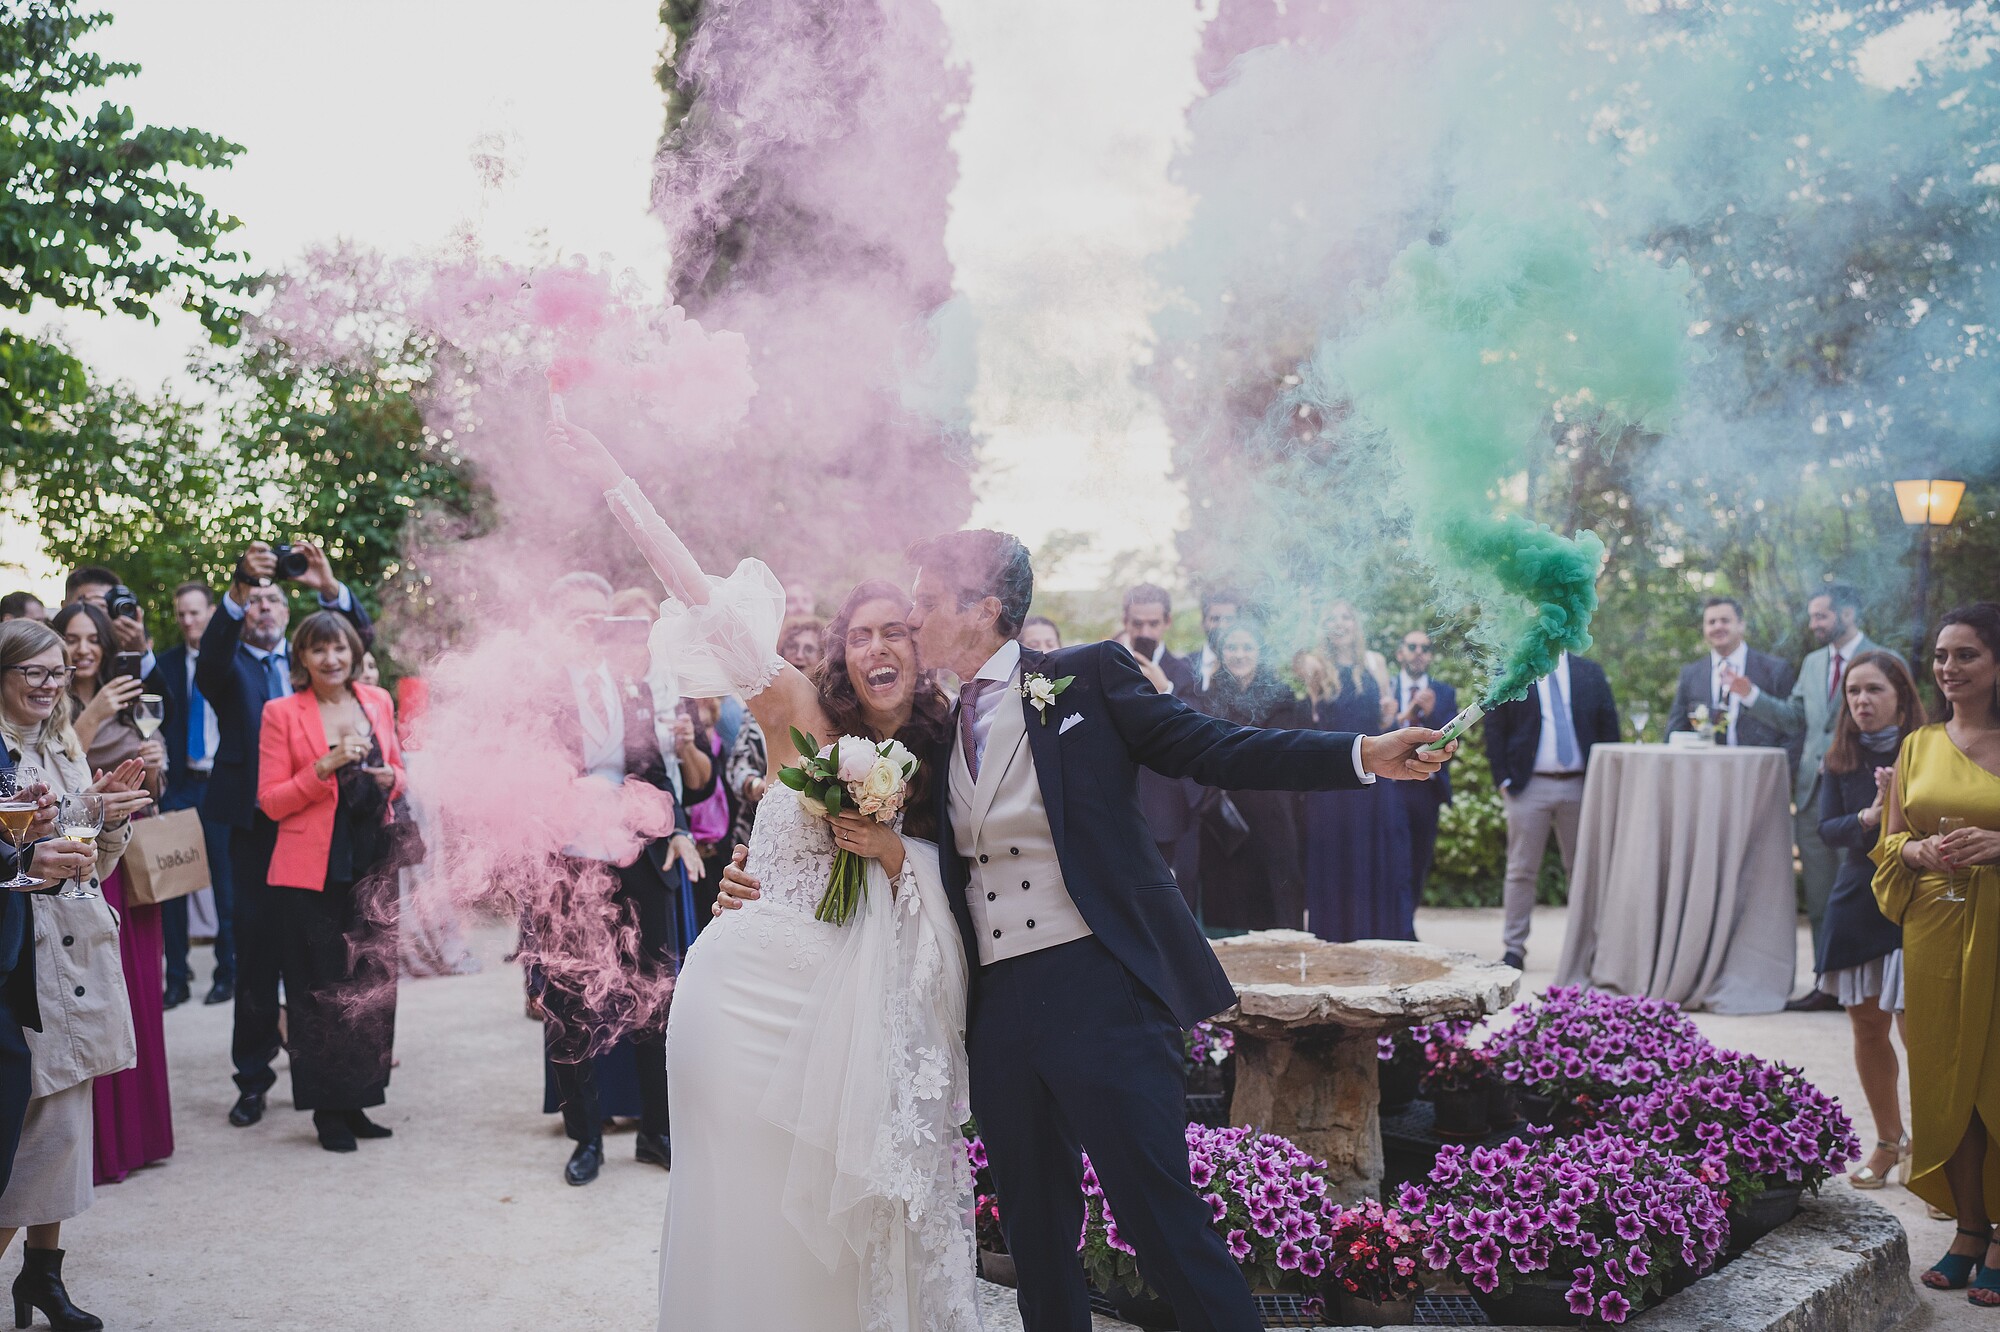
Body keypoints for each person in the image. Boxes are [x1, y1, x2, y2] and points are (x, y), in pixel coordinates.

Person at [719, 532, 1455, 1332]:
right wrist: (764, 888)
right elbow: (875, 840)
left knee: (1159, 1225)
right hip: (999, 1010)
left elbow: (1216, 748)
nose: (914, 618)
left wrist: (1363, 753)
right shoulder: (933, 731)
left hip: (1102, 988)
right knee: (1035, 1241)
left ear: (984, 609)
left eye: (928, 603)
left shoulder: (1087, 677)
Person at [0, 617, 153, 1331]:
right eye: (32, 670)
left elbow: (87, 858)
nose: (49, 683)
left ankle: (42, 1279)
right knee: (36, 1136)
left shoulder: (59, 743)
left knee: (65, 1127)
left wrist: (106, 815)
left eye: (56, 671)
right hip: (22, 963)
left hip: (78, 952)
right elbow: (21, 859)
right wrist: (33, 864)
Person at [198, 540, 373, 1130]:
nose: (266, 607)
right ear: (245, 606)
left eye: (277, 599)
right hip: (255, 829)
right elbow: (211, 658)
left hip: (321, 823)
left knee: (325, 956)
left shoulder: (315, 669)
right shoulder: (228, 667)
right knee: (257, 955)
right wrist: (240, 582)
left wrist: (329, 587)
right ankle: (253, 1079)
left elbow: (354, 642)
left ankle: (331, 1082)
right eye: (256, 600)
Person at [529, 571, 692, 1185]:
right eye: (577, 617)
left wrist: (673, 826)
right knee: (569, 1002)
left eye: (600, 616)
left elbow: (654, 766)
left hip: (639, 855)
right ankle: (586, 1137)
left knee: (655, 994)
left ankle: (656, 1130)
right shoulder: (540, 692)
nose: (591, 627)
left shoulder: (632, 683)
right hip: (567, 861)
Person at [1871, 603, 2000, 1303]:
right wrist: (1915, 849)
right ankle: (1971, 1228)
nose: (1948, 669)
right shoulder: (1918, 744)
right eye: (1942, 656)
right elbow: (1890, 845)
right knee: (1948, 1079)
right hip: (1935, 930)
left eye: (1967, 656)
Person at [256, 611, 404, 1153]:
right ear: (302, 659)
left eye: (338, 648)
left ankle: (360, 1097)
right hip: (310, 875)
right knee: (318, 991)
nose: (331, 659)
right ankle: (327, 1112)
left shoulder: (377, 701)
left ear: (352, 651)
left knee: (372, 988)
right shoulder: (281, 713)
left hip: (373, 864)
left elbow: (400, 769)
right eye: (318, 650)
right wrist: (323, 767)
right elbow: (270, 801)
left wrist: (393, 777)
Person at [51, 602, 175, 1188]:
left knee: (138, 999)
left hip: (130, 866)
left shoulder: (131, 696)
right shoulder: (48, 707)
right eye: (70, 640)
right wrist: (95, 714)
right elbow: (56, 781)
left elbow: (150, 789)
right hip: (79, 870)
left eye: (91, 639)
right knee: (92, 1002)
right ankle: (96, 1152)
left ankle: (143, 1137)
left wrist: (155, 767)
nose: (82, 650)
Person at [1739, 584, 1896, 1010]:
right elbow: (1795, 718)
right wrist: (1748, 694)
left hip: (1866, 790)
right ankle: (1829, 985)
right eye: (1812, 617)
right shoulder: (1811, 663)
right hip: (1814, 792)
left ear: (1847, 613)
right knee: (1823, 891)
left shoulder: (1884, 660)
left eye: (1821, 616)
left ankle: (1871, 987)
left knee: (1863, 889)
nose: (1813, 625)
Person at [1815, 650, 1921, 1190]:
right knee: (1867, 1028)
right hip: (1857, 903)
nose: (1861, 701)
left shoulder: (1931, 749)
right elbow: (1826, 828)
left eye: (1874, 689)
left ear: (1901, 695)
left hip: (1913, 904)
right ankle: (1887, 1141)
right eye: (1853, 691)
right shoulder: (1839, 755)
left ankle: (1930, 1154)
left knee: (1918, 1032)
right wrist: (1869, 816)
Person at [1483, 649, 1621, 970]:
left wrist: (1606, 782)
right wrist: (1502, 778)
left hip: (1582, 786)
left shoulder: (1590, 671)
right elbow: (1494, 725)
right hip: (1527, 786)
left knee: (1584, 870)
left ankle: (1588, 948)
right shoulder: (1514, 668)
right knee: (1521, 869)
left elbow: (1608, 726)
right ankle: (1514, 948)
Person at [1296, 601, 1414, 942]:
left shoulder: (1375, 662)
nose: (1340, 624)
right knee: (1336, 857)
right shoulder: (1316, 665)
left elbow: (1383, 723)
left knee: (1378, 856)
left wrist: (1390, 715)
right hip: (1333, 776)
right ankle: (1336, 940)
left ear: (1356, 623)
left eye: (1346, 616)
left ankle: (1379, 938)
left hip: (1375, 777)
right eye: (1331, 618)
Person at [1191, 621, 1305, 931]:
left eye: (1247, 647)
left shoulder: (1281, 696)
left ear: (1260, 652)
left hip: (1270, 813)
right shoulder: (1208, 696)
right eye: (1231, 647)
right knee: (1228, 906)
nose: (1239, 655)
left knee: (1274, 900)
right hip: (1224, 816)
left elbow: (1285, 752)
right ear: (1221, 653)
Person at [152, 582, 234, 1010]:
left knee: (226, 885)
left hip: (221, 784)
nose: (187, 621)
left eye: (195, 613)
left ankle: (228, 974)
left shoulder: (231, 660)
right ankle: (177, 980)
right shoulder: (164, 665)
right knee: (173, 885)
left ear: (212, 612)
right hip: (181, 787)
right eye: (181, 613)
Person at [1116, 585, 1204, 896]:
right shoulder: (1107, 662)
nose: (1145, 631)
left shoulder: (1183, 672)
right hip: (1116, 806)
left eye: (1153, 624)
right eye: (1137, 623)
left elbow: (1197, 730)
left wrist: (1165, 690)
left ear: (1167, 622)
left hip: (1167, 810)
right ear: (1125, 621)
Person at [723, 618, 823, 856]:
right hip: (755, 829)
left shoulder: (834, 713)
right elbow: (737, 765)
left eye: (809, 649)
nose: (799, 655)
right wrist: (755, 785)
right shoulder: (758, 710)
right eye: (792, 648)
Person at [1665, 596, 1797, 749]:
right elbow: (1674, 731)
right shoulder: (1691, 674)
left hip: (1758, 768)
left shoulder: (1775, 669)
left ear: (1741, 625)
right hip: (1704, 769)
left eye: (1725, 620)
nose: (1717, 627)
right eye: (1711, 622)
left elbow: (1793, 729)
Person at [1390, 629, 1456, 904]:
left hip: (1426, 789)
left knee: (1419, 859)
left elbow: (1453, 737)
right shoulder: (1385, 688)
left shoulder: (1444, 692)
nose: (1419, 652)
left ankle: (1408, 924)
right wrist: (1399, 716)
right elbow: (1372, 732)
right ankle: (1396, 926)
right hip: (1389, 786)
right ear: (1400, 652)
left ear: (1430, 657)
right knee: (1392, 859)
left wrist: (1432, 714)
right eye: (1412, 646)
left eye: (1425, 648)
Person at [1194, 589, 1242, 692]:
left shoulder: (1248, 665)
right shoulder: (1185, 665)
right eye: (1215, 619)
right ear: (1203, 623)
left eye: (1229, 619)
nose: (1222, 626)